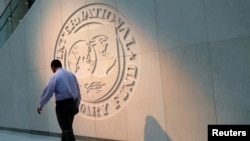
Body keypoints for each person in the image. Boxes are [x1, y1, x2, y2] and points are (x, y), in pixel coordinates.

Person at [37, 59, 81, 141]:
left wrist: (41, 104)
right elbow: (78, 91)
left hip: (62, 106)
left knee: (67, 130)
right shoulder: (71, 75)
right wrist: (77, 104)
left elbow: (48, 91)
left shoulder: (55, 76)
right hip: (72, 104)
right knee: (66, 129)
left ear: (53, 67)